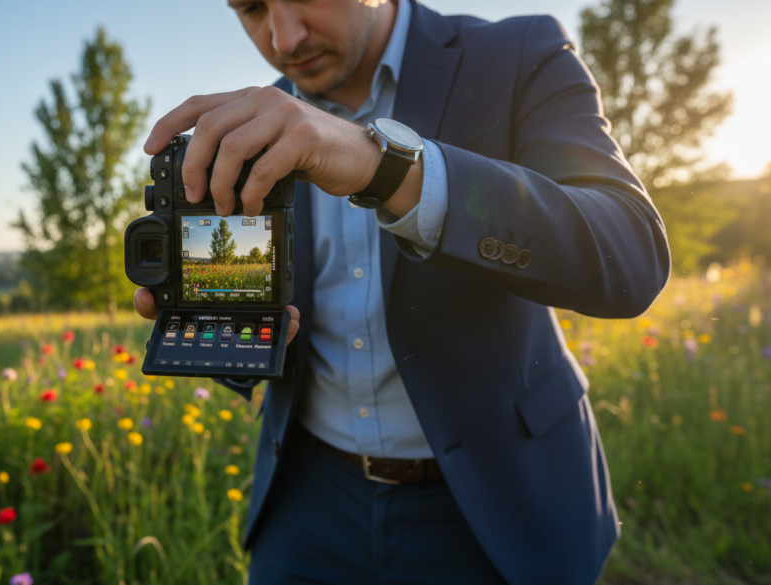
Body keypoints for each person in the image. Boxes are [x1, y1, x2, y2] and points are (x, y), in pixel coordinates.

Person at [133, 0, 671, 583]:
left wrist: (384, 169)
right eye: (252, 8)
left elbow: (631, 254)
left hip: (497, 504)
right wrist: (216, 317)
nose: (284, 38)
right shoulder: (251, 128)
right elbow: (265, 312)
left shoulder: (519, 54)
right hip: (306, 505)